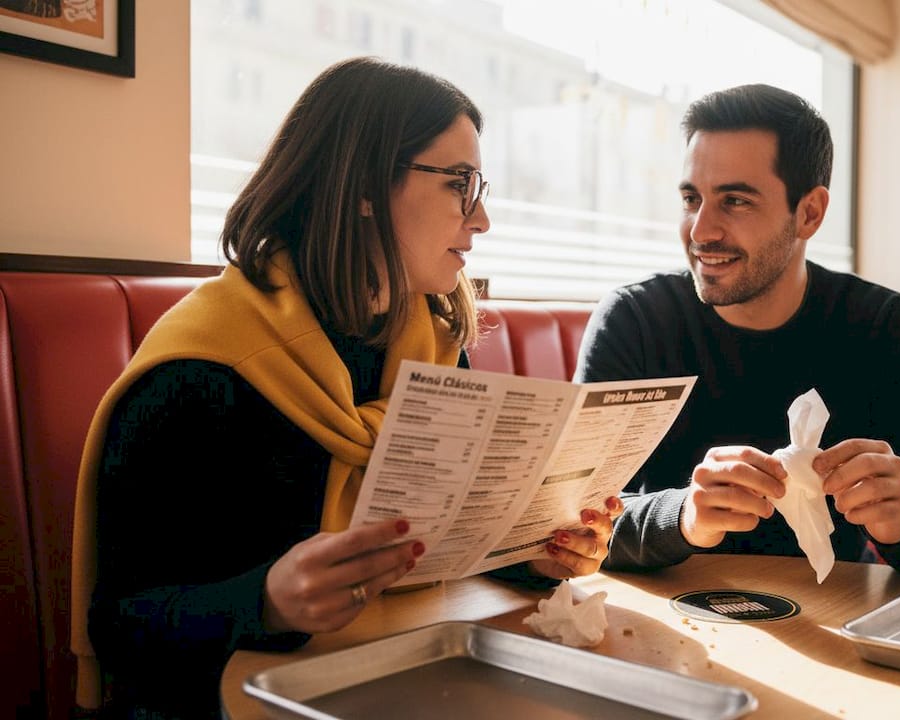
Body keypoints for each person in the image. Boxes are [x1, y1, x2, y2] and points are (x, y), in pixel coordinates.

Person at [69, 57, 621, 719]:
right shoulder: (202, 370)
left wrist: (540, 555)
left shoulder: (432, 346)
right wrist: (265, 601)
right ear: (363, 186)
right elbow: (120, 625)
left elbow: (435, 550)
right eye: (460, 184)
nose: (482, 221)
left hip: (403, 676)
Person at [574, 84, 900, 580]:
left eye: (735, 201)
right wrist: (684, 516)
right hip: (660, 625)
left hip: (835, 623)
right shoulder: (634, 322)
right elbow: (572, 522)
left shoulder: (883, 327)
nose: (701, 230)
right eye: (691, 198)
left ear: (809, 213)